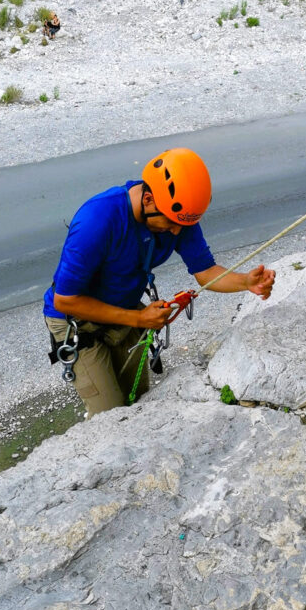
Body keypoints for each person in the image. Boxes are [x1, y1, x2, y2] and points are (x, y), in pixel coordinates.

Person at [43, 147, 275, 416]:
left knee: (139, 399)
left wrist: (245, 282)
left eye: (182, 224)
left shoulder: (179, 216)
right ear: (149, 199)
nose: (177, 231)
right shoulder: (98, 220)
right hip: (76, 320)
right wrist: (139, 319)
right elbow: (66, 299)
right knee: (109, 413)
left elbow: (205, 271)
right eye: (171, 222)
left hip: (126, 310)